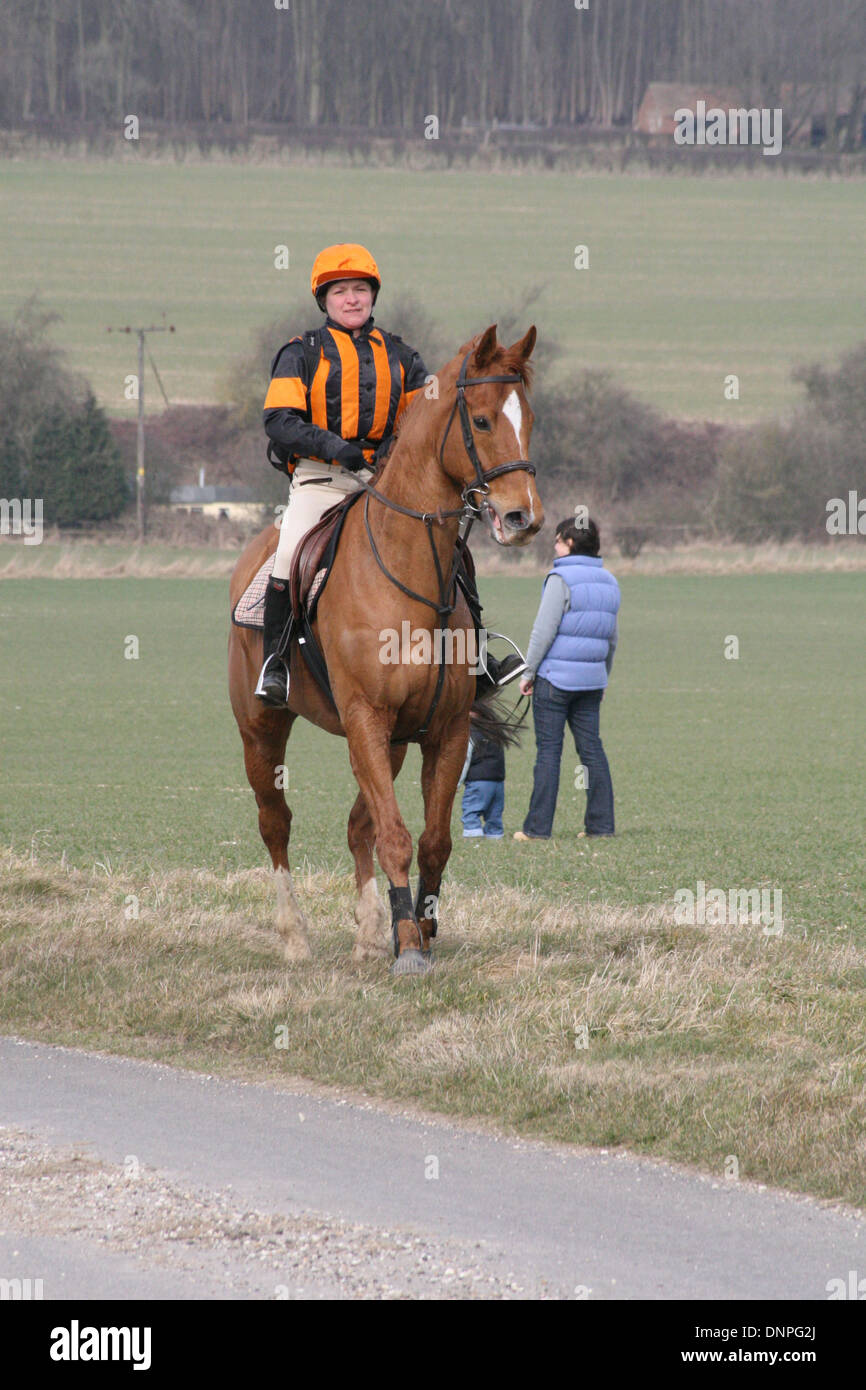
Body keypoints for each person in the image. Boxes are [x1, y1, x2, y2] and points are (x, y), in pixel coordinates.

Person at [256, 242, 524, 705]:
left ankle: (476, 659)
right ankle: (275, 662)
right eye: (340, 291)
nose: (352, 299)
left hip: (385, 484)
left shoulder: (402, 356)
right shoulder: (301, 353)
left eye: (361, 289)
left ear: (373, 296)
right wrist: (337, 448)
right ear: (325, 300)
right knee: (289, 553)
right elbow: (279, 419)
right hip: (322, 481)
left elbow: (426, 418)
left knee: (452, 552)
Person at [513, 516, 620, 841]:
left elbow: (543, 631)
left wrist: (528, 671)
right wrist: (603, 677)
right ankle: (601, 827)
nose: (555, 547)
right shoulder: (610, 581)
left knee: (549, 752)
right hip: (591, 681)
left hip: (554, 680)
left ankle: (537, 829)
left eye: (558, 541)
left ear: (570, 543)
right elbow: (611, 638)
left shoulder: (560, 578)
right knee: (592, 751)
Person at [459, 709, 506, 839]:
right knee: (494, 815)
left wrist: (456, 783)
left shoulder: (470, 734)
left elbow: (465, 760)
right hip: (498, 782)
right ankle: (495, 836)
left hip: (478, 782)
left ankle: (472, 837)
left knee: (471, 811)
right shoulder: (495, 732)